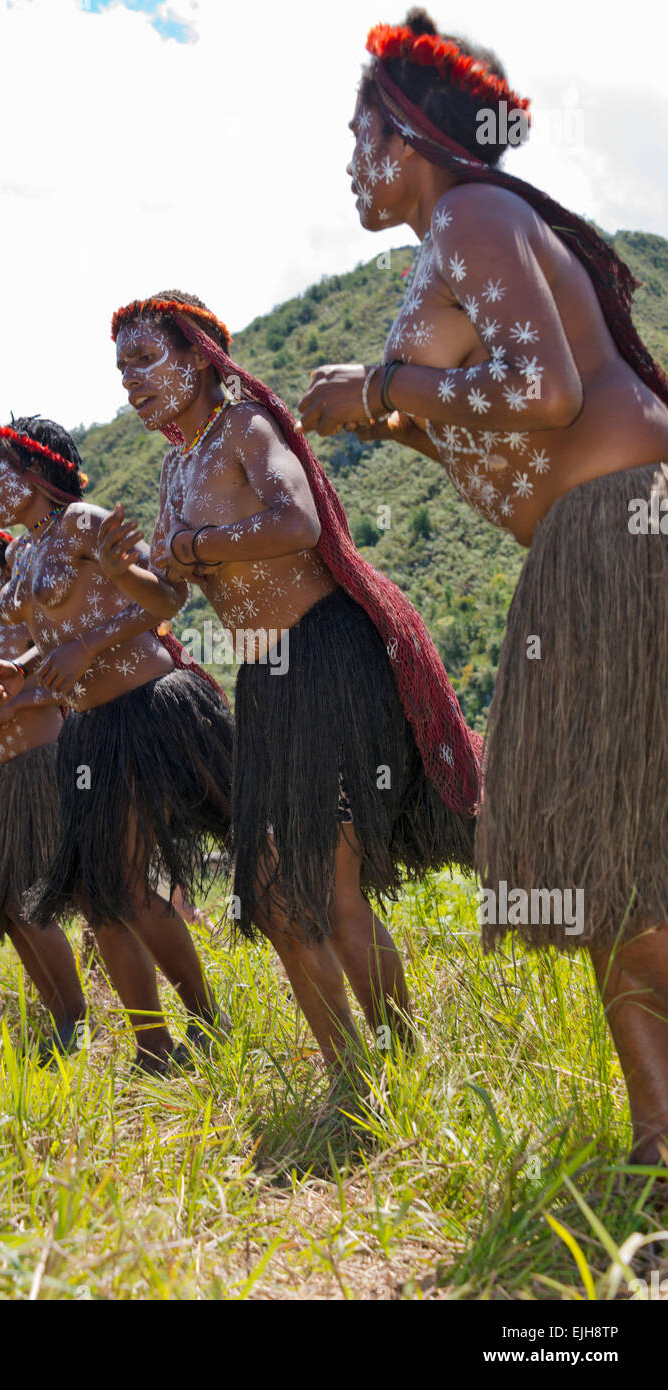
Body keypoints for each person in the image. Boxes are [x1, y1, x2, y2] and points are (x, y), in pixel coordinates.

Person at [296, 11, 668, 1161]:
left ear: (403, 136)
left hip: (625, 540)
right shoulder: (471, 231)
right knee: (618, 856)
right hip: (591, 552)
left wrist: (376, 389)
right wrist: (390, 414)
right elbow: (500, 434)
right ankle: (657, 1140)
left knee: (629, 858)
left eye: (355, 131)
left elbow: (547, 391)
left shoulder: (473, 213)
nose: (345, 159)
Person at [101, 291, 479, 1077]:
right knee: (275, 892)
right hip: (267, 680)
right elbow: (170, 597)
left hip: (326, 656)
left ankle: (396, 1066)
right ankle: (349, 1067)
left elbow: (298, 522)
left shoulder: (247, 429)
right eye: (120, 368)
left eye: (144, 360)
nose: (130, 380)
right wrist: (120, 569)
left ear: (201, 357)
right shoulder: (175, 465)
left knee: (325, 878)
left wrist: (199, 542)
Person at [0, 416, 232, 1073]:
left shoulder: (85, 522)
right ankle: (154, 1045)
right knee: (101, 894)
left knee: (120, 883)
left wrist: (86, 647)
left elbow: (166, 597)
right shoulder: (23, 553)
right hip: (89, 728)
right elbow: (63, 625)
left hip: (146, 711)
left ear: (35, 472)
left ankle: (204, 1020)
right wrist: (25, 665)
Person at [0, 524, 88, 1056]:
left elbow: (61, 683)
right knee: (7, 905)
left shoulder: (27, 615)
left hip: (45, 763)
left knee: (35, 900)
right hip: (5, 776)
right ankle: (59, 1015)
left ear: (5, 570)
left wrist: (6, 708)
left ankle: (78, 1014)